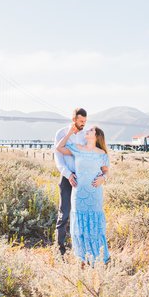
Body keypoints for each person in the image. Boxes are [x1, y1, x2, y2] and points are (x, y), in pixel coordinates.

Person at [55, 125, 110, 264]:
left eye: (91, 130)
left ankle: (98, 257)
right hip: (79, 194)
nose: (87, 130)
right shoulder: (78, 148)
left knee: (95, 225)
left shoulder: (102, 153)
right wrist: (68, 133)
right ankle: (82, 258)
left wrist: (103, 178)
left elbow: (106, 171)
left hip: (94, 193)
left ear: (96, 135)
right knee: (80, 225)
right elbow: (59, 148)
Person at [53, 108, 86, 256]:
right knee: (64, 213)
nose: (83, 124)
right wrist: (68, 175)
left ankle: (78, 249)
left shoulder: (86, 135)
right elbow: (58, 158)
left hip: (82, 179)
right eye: (81, 121)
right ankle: (59, 249)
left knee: (79, 214)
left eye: (85, 121)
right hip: (67, 179)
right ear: (74, 120)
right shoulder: (61, 133)